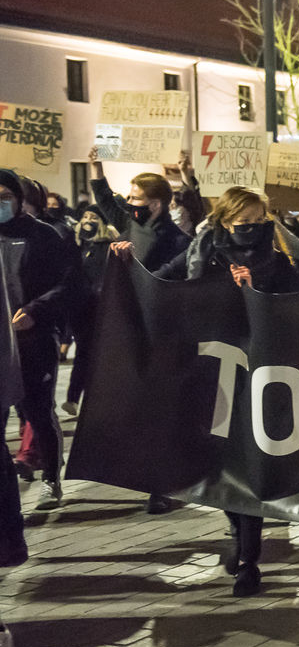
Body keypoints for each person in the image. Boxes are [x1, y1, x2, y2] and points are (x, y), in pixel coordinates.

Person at [123, 187, 299, 595]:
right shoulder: (202, 253)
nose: (253, 230)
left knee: (250, 463)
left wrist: (254, 292)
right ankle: (236, 529)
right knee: (216, 460)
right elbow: (163, 286)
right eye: (244, 223)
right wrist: (125, 265)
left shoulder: (280, 261)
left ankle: (250, 561)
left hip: (257, 375)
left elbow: (293, 309)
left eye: (260, 222)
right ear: (223, 221)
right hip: (210, 372)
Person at [0, 170, 76, 512]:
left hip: (33, 337)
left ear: (18, 198)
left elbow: (68, 284)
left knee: (37, 410)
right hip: (2, 344)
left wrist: (36, 310)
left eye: (4, 195)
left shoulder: (43, 235)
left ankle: (50, 478)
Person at [87, 147, 190, 272]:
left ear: (155, 205)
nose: (129, 202)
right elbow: (105, 200)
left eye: (135, 198)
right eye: (129, 197)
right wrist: (95, 166)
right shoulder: (130, 225)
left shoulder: (179, 242)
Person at [62, 209, 118, 416]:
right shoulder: (77, 245)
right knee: (83, 353)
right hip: (80, 308)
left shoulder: (107, 247)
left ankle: (87, 399)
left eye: (94, 218)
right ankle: (73, 398)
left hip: (100, 307)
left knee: (95, 354)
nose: (88, 221)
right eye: (85, 217)